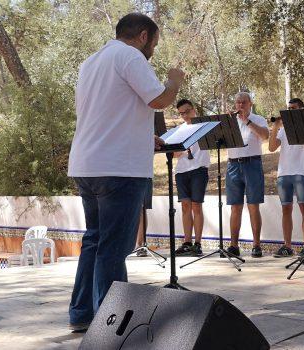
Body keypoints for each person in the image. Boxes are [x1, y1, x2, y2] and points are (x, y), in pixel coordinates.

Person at [67, 13, 184, 332]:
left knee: (94, 241)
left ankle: (81, 314)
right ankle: (110, 325)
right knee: (114, 247)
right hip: (119, 169)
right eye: (155, 44)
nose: (153, 52)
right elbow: (159, 99)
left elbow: (106, 112)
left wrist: (143, 136)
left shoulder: (91, 61)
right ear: (143, 36)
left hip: (88, 164)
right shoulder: (130, 55)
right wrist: (174, 80)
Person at [226, 92, 269, 258]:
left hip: (252, 164)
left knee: (253, 205)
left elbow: (265, 136)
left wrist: (247, 121)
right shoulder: (230, 120)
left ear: (250, 103)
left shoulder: (258, 119)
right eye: (237, 102)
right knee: (235, 206)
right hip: (233, 165)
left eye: (244, 102)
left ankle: (256, 245)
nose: (240, 106)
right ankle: (233, 245)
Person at [269, 98, 304, 258]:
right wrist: (275, 126)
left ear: (301, 110)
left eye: (293, 109)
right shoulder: (282, 130)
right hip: (283, 173)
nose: (289, 111)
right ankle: (287, 246)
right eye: (288, 108)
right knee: (286, 209)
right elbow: (271, 147)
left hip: (300, 172)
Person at [172, 99, 210, 257]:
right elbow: (173, 154)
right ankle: (187, 242)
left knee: (196, 206)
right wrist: (180, 150)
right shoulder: (178, 130)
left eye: (187, 111)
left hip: (198, 169)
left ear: (193, 109)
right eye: (181, 113)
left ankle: (198, 243)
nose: (184, 115)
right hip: (181, 171)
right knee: (185, 207)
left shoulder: (204, 126)